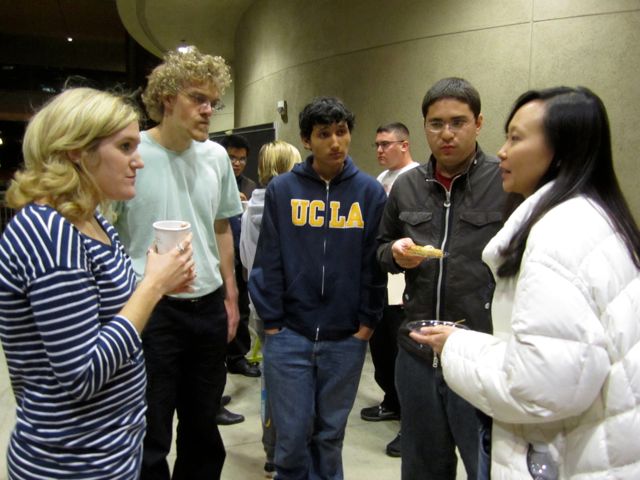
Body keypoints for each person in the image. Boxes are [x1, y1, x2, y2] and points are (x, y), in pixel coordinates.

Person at [416, 87, 640, 479]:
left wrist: (456, 346)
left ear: (561, 149)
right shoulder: (592, 217)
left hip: (574, 455)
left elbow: (537, 388)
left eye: (516, 138)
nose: (503, 151)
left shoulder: (559, 235)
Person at [0, 87, 195, 479]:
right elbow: (82, 374)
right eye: (124, 147)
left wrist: (157, 279)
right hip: (71, 463)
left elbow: (101, 311)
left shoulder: (89, 217)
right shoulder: (49, 232)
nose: (137, 162)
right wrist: (151, 287)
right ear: (76, 150)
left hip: (107, 450)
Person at [113, 47, 242, 480]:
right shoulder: (132, 155)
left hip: (206, 307)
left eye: (213, 101)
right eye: (197, 98)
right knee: (150, 427)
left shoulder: (216, 157)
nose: (209, 110)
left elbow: (222, 227)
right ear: (167, 98)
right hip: (151, 309)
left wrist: (231, 295)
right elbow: (109, 233)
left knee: (203, 425)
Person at [249, 96, 387, 479]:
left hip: (345, 338)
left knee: (329, 436)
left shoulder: (369, 193)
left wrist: (367, 323)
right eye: (324, 134)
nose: (335, 143)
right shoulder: (282, 190)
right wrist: (273, 321)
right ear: (307, 140)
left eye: (341, 132)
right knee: (291, 439)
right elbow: (269, 259)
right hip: (289, 333)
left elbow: (372, 264)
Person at [377, 77, 506, 479]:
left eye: (458, 122)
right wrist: (395, 254)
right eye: (436, 124)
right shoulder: (407, 186)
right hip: (416, 353)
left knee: (483, 465)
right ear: (424, 127)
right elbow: (381, 247)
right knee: (422, 467)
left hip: (478, 350)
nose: (446, 134)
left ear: (479, 123)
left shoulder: (504, 182)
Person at [239, 139, 302, 478]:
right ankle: (279, 454)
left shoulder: (252, 209)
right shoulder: (280, 209)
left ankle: (274, 453)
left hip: (263, 310)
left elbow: (247, 260)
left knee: (273, 385)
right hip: (282, 314)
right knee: (282, 388)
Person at [360, 122, 418, 458]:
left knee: (402, 356)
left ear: (404, 144)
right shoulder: (380, 181)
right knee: (382, 350)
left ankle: (411, 425)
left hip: (404, 284)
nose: (380, 150)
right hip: (381, 279)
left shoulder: (416, 179)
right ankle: (391, 401)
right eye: (377, 145)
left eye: (386, 144)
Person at [219, 133, 260, 380]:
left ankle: (236, 358)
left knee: (242, 310)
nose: (237, 163)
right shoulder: (212, 181)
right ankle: (218, 362)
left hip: (241, 259)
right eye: (232, 158)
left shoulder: (250, 187)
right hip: (217, 262)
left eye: (242, 159)